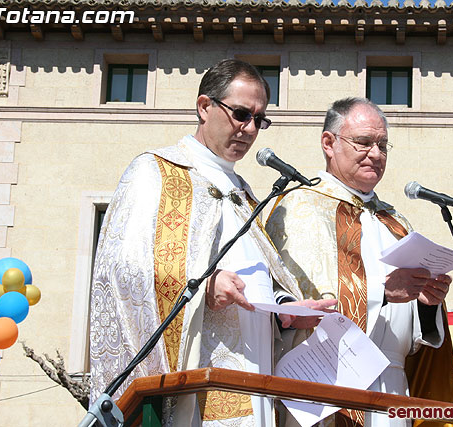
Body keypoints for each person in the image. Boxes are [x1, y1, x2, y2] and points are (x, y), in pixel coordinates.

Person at [89, 59, 333, 426]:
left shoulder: (245, 195)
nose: (249, 129)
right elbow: (123, 267)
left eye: (258, 120)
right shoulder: (155, 171)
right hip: (202, 381)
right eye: (240, 114)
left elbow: (258, 275)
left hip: (256, 378)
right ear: (204, 107)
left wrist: (285, 309)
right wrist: (203, 283)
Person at [266, 97, 453, 426]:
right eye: (364, 142)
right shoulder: (298, 208)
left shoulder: (396, 223)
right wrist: (382, 294)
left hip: (393, 391)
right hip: (324, 386)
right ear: (329, 143)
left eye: (383, 145)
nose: (376, 154)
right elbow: (283, 306)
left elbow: (415, 342)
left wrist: (426, 305)